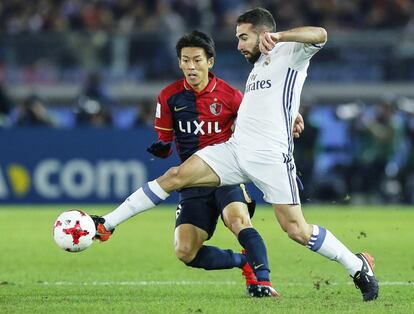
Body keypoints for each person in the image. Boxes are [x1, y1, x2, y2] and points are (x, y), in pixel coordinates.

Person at [93, 8, 378, 301]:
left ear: (262, 33)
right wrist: (292, 114)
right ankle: (106, 224)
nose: (239, 45)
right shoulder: (257, 67)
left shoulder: (288, 52)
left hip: (270, 157)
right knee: (176, 175)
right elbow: (273, 100)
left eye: (243, 37)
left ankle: (357, 266)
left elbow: (321, 34)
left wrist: (278, 36)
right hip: (235, 150)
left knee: (297, 230)